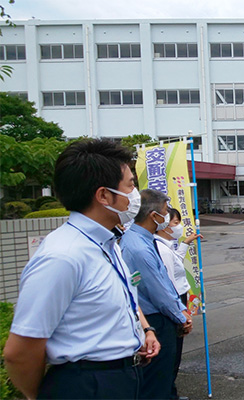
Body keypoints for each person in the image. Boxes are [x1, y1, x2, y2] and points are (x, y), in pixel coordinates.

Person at [4, 139, 160, 400]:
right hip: (87, 385)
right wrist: (40, 395)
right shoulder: (63, 256)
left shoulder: (108, 244)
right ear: (103, 195)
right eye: (130, 185)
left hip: (122, 377)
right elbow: (20, 351)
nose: (136, 195)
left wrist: (143, 332)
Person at [120, 189, 193, 400]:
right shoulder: (138, 248)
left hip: (159, 318)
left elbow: (164, 281)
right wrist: (181, 317)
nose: (168, 217)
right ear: (154, 216)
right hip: (157, 321)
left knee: (164, 375)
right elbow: (158, 291)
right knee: (157, 380)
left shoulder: (141, 240)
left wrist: (180, 310)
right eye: (165, 212)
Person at [155, 208, 202, 400]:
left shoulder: (167, 246)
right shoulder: (160, 247)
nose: (178, 226)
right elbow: (169, 284)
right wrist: (181, 312)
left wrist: (185, 243)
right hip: (174, 302)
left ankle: (170, 391)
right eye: (175, 223)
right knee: (171, 354)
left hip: (178, 299)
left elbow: (177, 262)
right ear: (164, 225)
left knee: (174, 353)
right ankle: (168, 393)